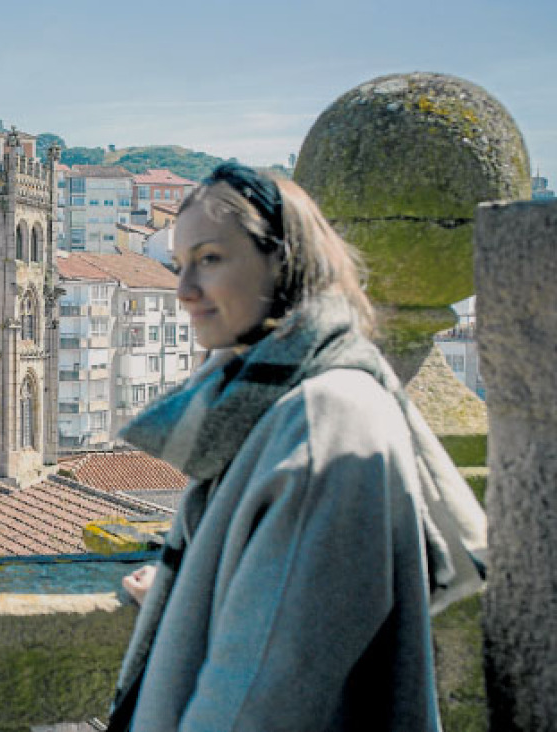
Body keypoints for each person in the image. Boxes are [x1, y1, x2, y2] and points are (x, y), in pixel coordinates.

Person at [104, 163, 486, 731]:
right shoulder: (263, 400)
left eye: (209, 259)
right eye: (178, 264)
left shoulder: (327, 419)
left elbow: (260, 697)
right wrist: (192, 592)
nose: (183, 291)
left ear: (280, 260)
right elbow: (291, 594)